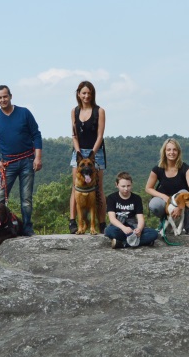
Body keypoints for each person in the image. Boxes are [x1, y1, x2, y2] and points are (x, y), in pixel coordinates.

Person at [0, 85, 42, 237]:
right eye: (0, 98)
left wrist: (38, 157)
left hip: (27, 160)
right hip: (7, 164)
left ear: (10, 96)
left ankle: (27, 228)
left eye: (5, 96)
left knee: (26, 199)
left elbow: (36, 135)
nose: (3, 100)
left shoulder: (24, 113)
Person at [68, 81, 106, 234]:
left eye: (89, 93)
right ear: (78, 94)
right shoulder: (74, 111)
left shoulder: (99, 111)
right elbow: (74, 135)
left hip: (96, 152)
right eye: (83, 93)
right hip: (78, 152)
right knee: (75, 188)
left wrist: (92, 154)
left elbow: (100, 135)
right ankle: (73, 222)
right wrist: (78, 153)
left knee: (98, 188)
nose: (86, 96)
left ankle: (102, 223)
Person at [146, 138, 189, 235]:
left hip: (181, 199)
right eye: (169, 150)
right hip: (165, 199)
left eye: (175, 150)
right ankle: (165, 223)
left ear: (178, 152)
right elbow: (148, 188)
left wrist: (180, 204)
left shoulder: (186, 168)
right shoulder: (157, 169)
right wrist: (163, 196)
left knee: (183, 192)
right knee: (154, 205)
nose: (172, 152)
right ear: (164, 152)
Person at [104, 172, 158, 249]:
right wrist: (123, 228)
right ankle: (142, 242)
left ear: (131, 184)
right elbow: (112, 219)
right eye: (123, 186)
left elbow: (140, 218)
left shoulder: (136, 198)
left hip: (133, 227)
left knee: (153, 234)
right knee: (109, 231)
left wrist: (139, 229)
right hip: (120, 227)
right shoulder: (112, 198)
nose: (126, 189)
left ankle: (123, 244)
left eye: (128, 186)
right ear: (117, 185)